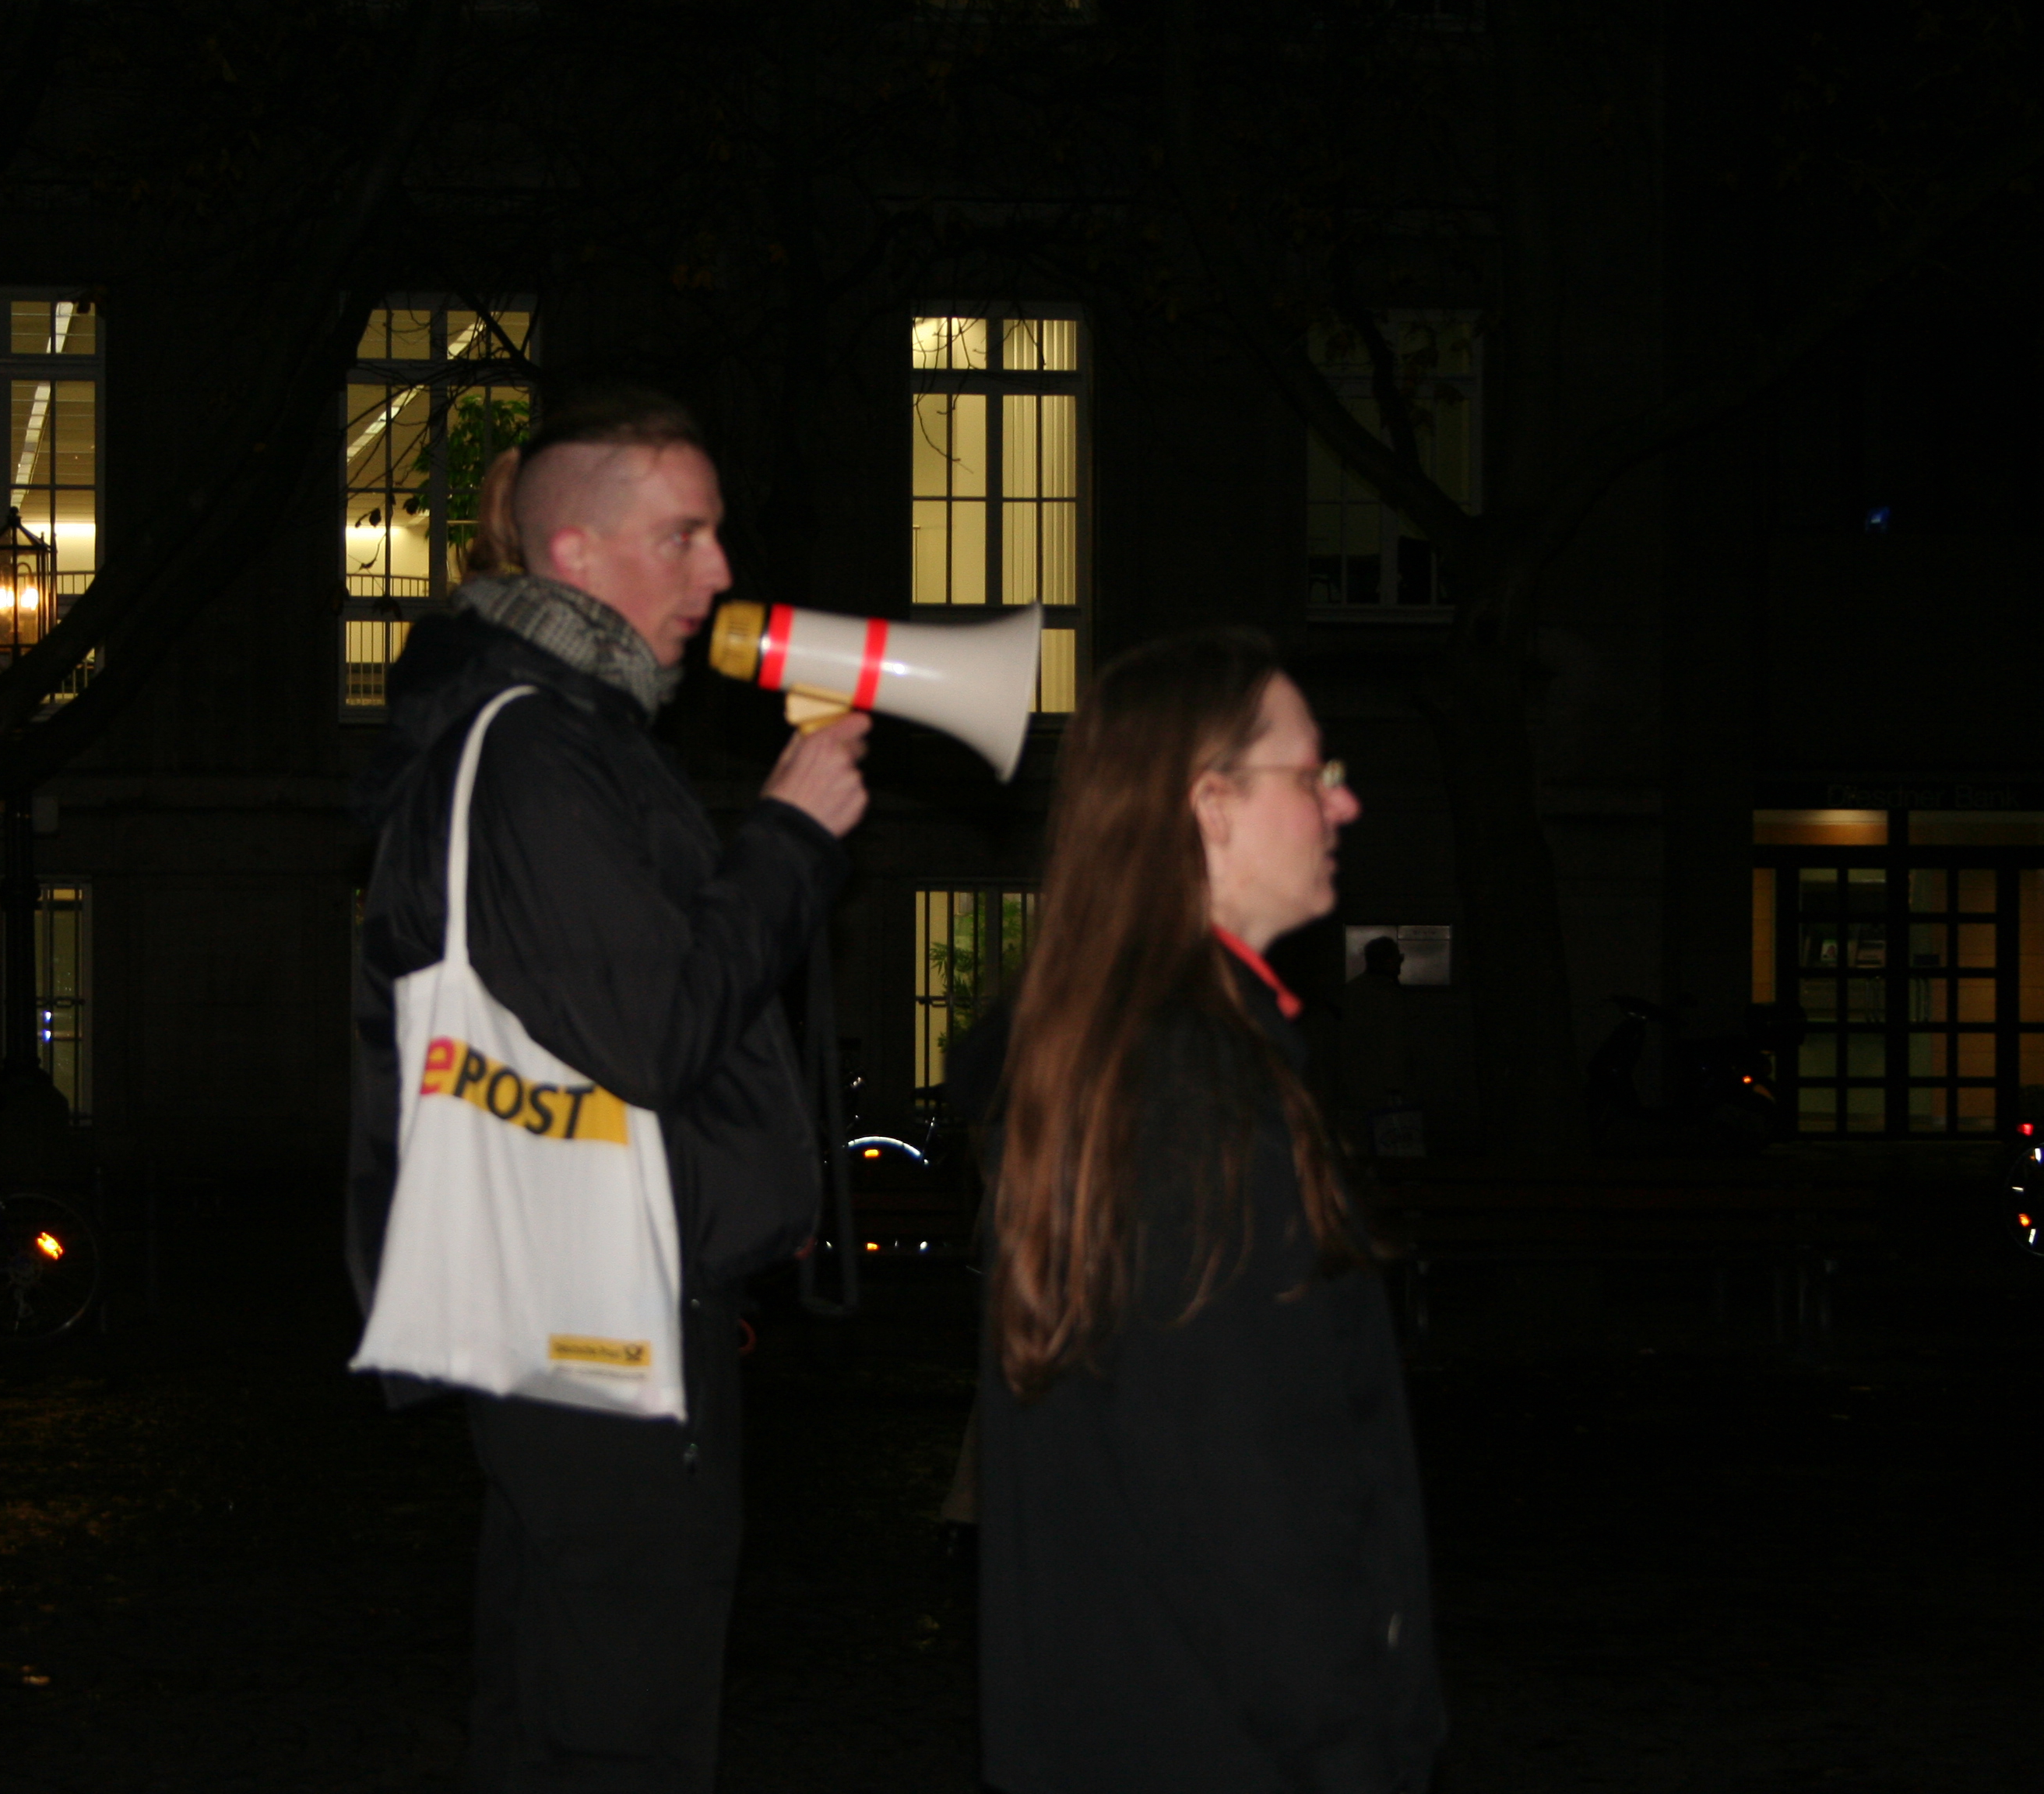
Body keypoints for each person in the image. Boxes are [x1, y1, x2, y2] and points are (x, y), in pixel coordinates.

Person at [348, 385, 868, 1789]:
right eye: (683, 535)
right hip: (595, 1316)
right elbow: (656, 1030)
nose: (718, 569)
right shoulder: (534, 750)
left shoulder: (562, 737)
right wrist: (788, 837)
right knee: (623, 1709)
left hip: (582, 1295)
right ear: (573, 551)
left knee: (560, 1688)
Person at [977, 631, 1444, 1793]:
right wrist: (1350, 1749)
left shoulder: (1112, 1048)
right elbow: (1247, 1484)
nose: (1343, 804)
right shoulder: (1193, 1087)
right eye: (1312, 773)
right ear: (1210, 806)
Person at [1340, 935, 1424, 1158]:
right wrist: (1396, 1085)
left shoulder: (1352, 991)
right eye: (1398, 958)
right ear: (1388, 961)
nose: (1400, 963)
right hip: (1386, 1087)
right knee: (1395, 1143)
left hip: (1357, 1082)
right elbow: (1394, 1042)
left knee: (1364, 1145)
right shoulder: (1388, 995)